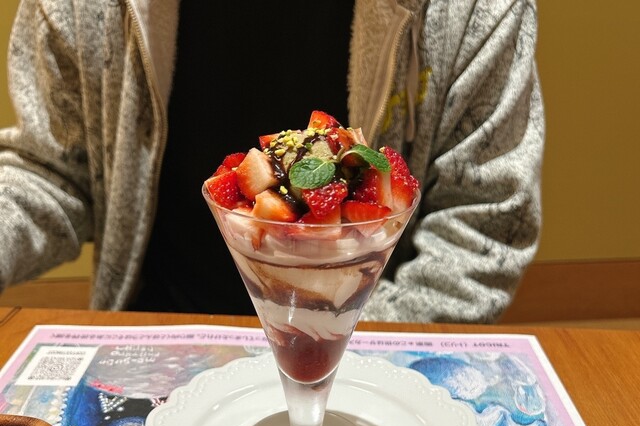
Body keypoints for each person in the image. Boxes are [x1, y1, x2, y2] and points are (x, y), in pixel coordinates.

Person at [0, 0, 544, 323]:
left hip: (370, 342)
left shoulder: (471, 11)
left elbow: (483, 221)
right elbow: (52, 168)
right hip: (160, 328)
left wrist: (343, 348)